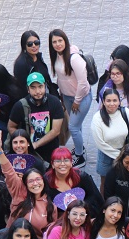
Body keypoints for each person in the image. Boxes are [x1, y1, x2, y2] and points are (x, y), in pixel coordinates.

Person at [0, 131, 56, 233]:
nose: (35, 184)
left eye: (22, 142)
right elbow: (7, 171)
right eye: (15, 142)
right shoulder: (19, 193)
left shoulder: (50, 205)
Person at [49, 29, 91, 166]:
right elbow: (61, 78)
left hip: (81, 98)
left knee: (73, 127)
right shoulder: (56, 55)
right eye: (54, 42)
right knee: (76, 126)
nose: (57, 44)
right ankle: (80, 148)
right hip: (67, 97)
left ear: (65, 40)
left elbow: (83, 83)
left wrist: (77, 101)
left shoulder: (74, 58)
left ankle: (80, 156)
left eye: (60, 40)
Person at [91, 89, 129, 191]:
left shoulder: (125, 112)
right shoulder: (97, 118)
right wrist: (120, 156)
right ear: (104, 102)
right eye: (108, 101)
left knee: (123, 182)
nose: (112, 104)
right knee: (105, 183)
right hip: (106, 155)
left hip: (126, 153)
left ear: (119, 101)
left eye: (115, 100)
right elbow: (100, 143)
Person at [44, 147, 103, 217]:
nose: (62, 164)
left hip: (84, 214)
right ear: (52, 164)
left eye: (66, 160)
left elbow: (93, 196)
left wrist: (80, 210)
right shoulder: (46, 180)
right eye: (58, 161)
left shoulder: (82, 177)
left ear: (71, 163)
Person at [0, 63, 27, 139]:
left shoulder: (14, 94)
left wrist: (0, 113)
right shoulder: (8, 84)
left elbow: (14, 117)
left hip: (8, 123)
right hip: (2, 119)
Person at [13, 30, 59, 96]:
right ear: (24, 46)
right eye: (30, 44)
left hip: (46, 94)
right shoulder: (20, 64)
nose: (34, 46)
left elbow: (47, 78)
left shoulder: (39, 57)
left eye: (36, 43)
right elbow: (23, 88)